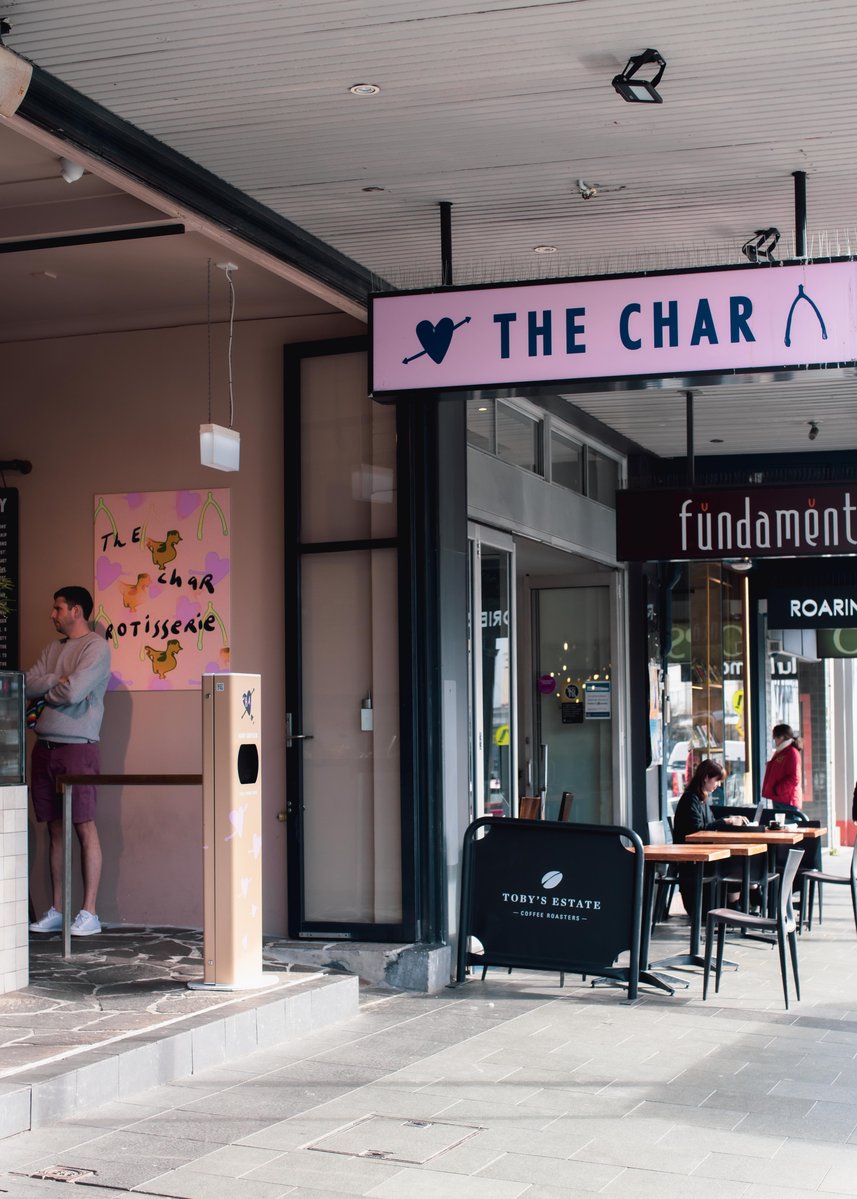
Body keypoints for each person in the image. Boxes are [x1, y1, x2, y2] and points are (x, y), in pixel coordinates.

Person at [26, 587, 111, 936]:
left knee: (84, 826)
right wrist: (54, 681)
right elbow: (27, 683)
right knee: (54, 829)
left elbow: (75, 691)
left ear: (76, 611)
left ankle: (89, 912)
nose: (53, 614)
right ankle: (58, 910)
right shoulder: (53, 649)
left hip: (78, 748)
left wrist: (51, 689)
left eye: (58, 608)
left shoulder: (96, 647)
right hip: (43, 747)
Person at [673, 759, 748, 918]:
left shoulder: (701, 799)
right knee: (734, 862)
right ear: (706, 777)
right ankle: (736, 904)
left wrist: (728, 820)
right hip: (693, 860)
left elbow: (709, 825)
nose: (718, 785)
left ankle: (736, 903)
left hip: (700, 857)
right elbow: (697, 831)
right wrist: (726, 822)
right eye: (717, 780)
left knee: (736, 861)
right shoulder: (690, 799)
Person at [761, 723, 803, 810]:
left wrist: (778, 790)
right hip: (781, 798)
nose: (774, 740)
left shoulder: (791, 753)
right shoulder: (782, 751)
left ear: (782, 737)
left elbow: (794, 778)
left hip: (787, 800)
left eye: (775, 737)